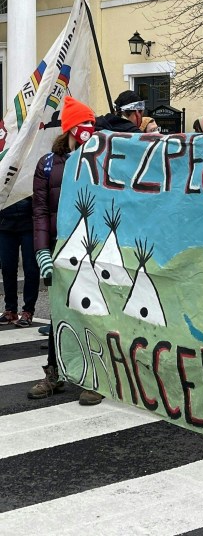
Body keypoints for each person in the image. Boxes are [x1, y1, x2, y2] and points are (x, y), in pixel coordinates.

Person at [27, 96, 104, 406]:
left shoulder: (102, 160)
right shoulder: (47, 164)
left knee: (93, 315)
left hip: (92, 252)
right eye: (85, 124)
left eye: (93, 124)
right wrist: (42, 251)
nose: (90, 129)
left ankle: (94, 377)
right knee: (60, 313)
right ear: (72, 128)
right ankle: (54, 373)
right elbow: (41, 212)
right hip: (60, 252)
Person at [0, 197, 39, 327]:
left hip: (29, 222)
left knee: (31, 268)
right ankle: (10, 310)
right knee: (7, 268)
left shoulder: (30, 175)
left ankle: (28, 311)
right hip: (5, 222)